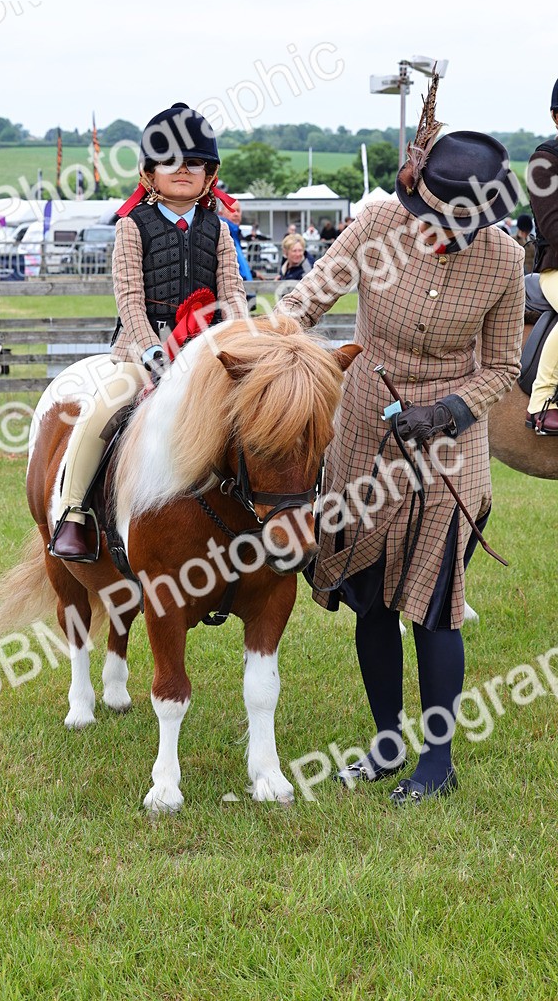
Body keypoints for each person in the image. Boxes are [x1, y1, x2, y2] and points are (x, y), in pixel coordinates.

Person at [278, 91, 524, 804]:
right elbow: (310, 296)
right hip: (363, 427)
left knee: (435, 602)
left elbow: (504, 366)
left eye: (464, 225)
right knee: (371, 599)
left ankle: (437, 763)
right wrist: (275, 339)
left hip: (448, 444)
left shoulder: (504, 262)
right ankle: (387, 745)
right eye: (439, 220)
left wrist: (448, 409)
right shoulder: (377, 221)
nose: (447, 234)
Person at [50, 101, 249, 561]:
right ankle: (74, 513)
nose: (184, 170)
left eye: (195, 162)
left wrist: (242, 339)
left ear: (209, 174)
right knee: (104, 409)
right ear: (150, 171)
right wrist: (149, 351)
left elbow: (232, 292)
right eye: (171, 161)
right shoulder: (130, 227)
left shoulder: (218, 230)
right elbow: (129, 299)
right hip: (142, 350)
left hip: (205, 351)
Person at [525, 80, 558, 433]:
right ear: (555, 117)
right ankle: (542, 401)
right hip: (555, 270)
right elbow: (552, 226)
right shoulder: (544, 162)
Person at [218, 197, 252, 281]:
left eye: (238, 211)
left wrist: (252, 273)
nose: (236, 214)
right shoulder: (220, 233)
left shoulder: (235, 233)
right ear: (221, 213)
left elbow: (238, 264)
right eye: (231, 210)